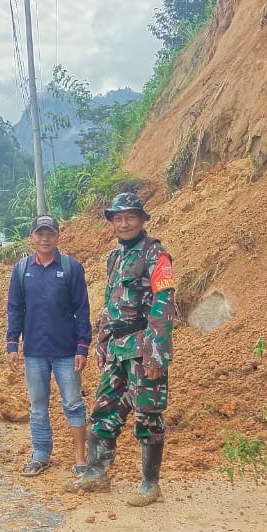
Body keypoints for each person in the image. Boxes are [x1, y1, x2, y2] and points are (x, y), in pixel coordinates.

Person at [65, 192, 175, 507]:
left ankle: (150, 484)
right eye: (118, 218)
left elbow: (164, 304)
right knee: (103, 409)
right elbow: (110, 303)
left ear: (141, 220)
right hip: (116, 349)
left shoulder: (155, 254)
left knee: (148, 413)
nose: (124, 223)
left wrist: (156, 353)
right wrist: (101, 342)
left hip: (143, 349)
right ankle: (96, 474)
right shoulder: (114, 257)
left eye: (130, 217)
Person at [6, 215, 91, 477]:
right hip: (34, 352)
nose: (45, 239)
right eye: (40, 234)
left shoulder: (70, 268)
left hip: (66, 350)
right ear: (31, 237)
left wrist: (82, 346)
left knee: (74, 403)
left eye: (50, 234)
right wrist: (12, 343)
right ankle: (41, 454)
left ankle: (80, 457)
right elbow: (15, 309)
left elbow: (82, 310)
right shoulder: (21, 270)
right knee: (38, 406)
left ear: (57, 236)